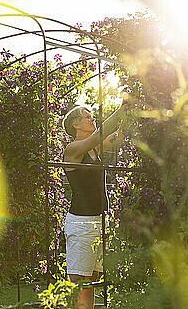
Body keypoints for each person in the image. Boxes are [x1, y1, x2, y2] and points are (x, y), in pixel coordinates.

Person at [62, 103, 127, 308]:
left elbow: (117, 137)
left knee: (91, 278)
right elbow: (100, 135)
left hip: (98, 222)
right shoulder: (73, 149)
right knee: (80, 283)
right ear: (75, 125)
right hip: (81, 224)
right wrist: (123, 108)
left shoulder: (94, 150)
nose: (92, 119)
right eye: (87, 117)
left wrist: (130, 116)